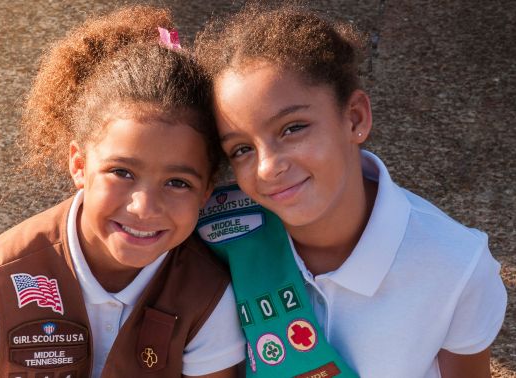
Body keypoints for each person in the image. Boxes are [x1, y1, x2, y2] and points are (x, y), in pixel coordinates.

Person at [193, 4, 507, 378]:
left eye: (293, 128)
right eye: (241, 149)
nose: (268, 166)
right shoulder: (219, 235)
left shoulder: (456, 266)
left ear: (355, 117)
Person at [0, 6, 246, 378]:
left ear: (205, 191)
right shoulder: (3, 274)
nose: (144, 206)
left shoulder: (208, 295)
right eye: (122, 172)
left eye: (177, 182)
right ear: (79, 165)